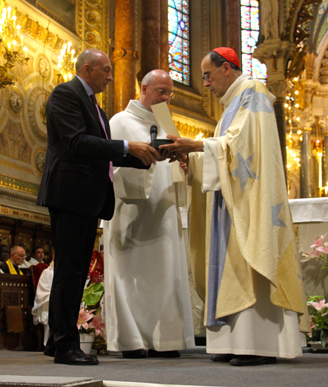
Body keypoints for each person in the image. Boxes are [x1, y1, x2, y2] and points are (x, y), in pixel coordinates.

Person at [160, 48, 308, 366]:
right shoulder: (231, 106)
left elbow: (243, 146)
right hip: (231, 201)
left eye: (208, 75)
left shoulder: (253, 91)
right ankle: (233, 341)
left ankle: (257, 344)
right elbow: (227, 149)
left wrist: (195, 145)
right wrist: (193, 159)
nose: (206, 84)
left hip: (250, 201)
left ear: (227, 69)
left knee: (248, 264)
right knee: (228, 269)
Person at [36, 48, 162, 366]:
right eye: (106, 70)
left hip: (85, 196)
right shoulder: (66, 94)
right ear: (87, 68)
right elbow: (76, 142)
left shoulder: (93, 104)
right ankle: (66, 345)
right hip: (70, 194)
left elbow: (104, 153)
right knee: (70, 270)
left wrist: (150, 154)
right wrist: (126, 146)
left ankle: (56, 341)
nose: (110, 76)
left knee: (74, 269)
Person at [104, 69, 194, 358]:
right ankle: (132, 341)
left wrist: (181, 165)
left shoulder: (166, 122)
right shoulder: (119, 121)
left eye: (170, 93)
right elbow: (109, 168)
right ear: (144, 89)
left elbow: (177, 166)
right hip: (130, 209)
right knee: (129, 277)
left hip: (163, 208)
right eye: (161, 91)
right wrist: (143, 160)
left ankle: (164, 339)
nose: (166, 97)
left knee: (166, 272)